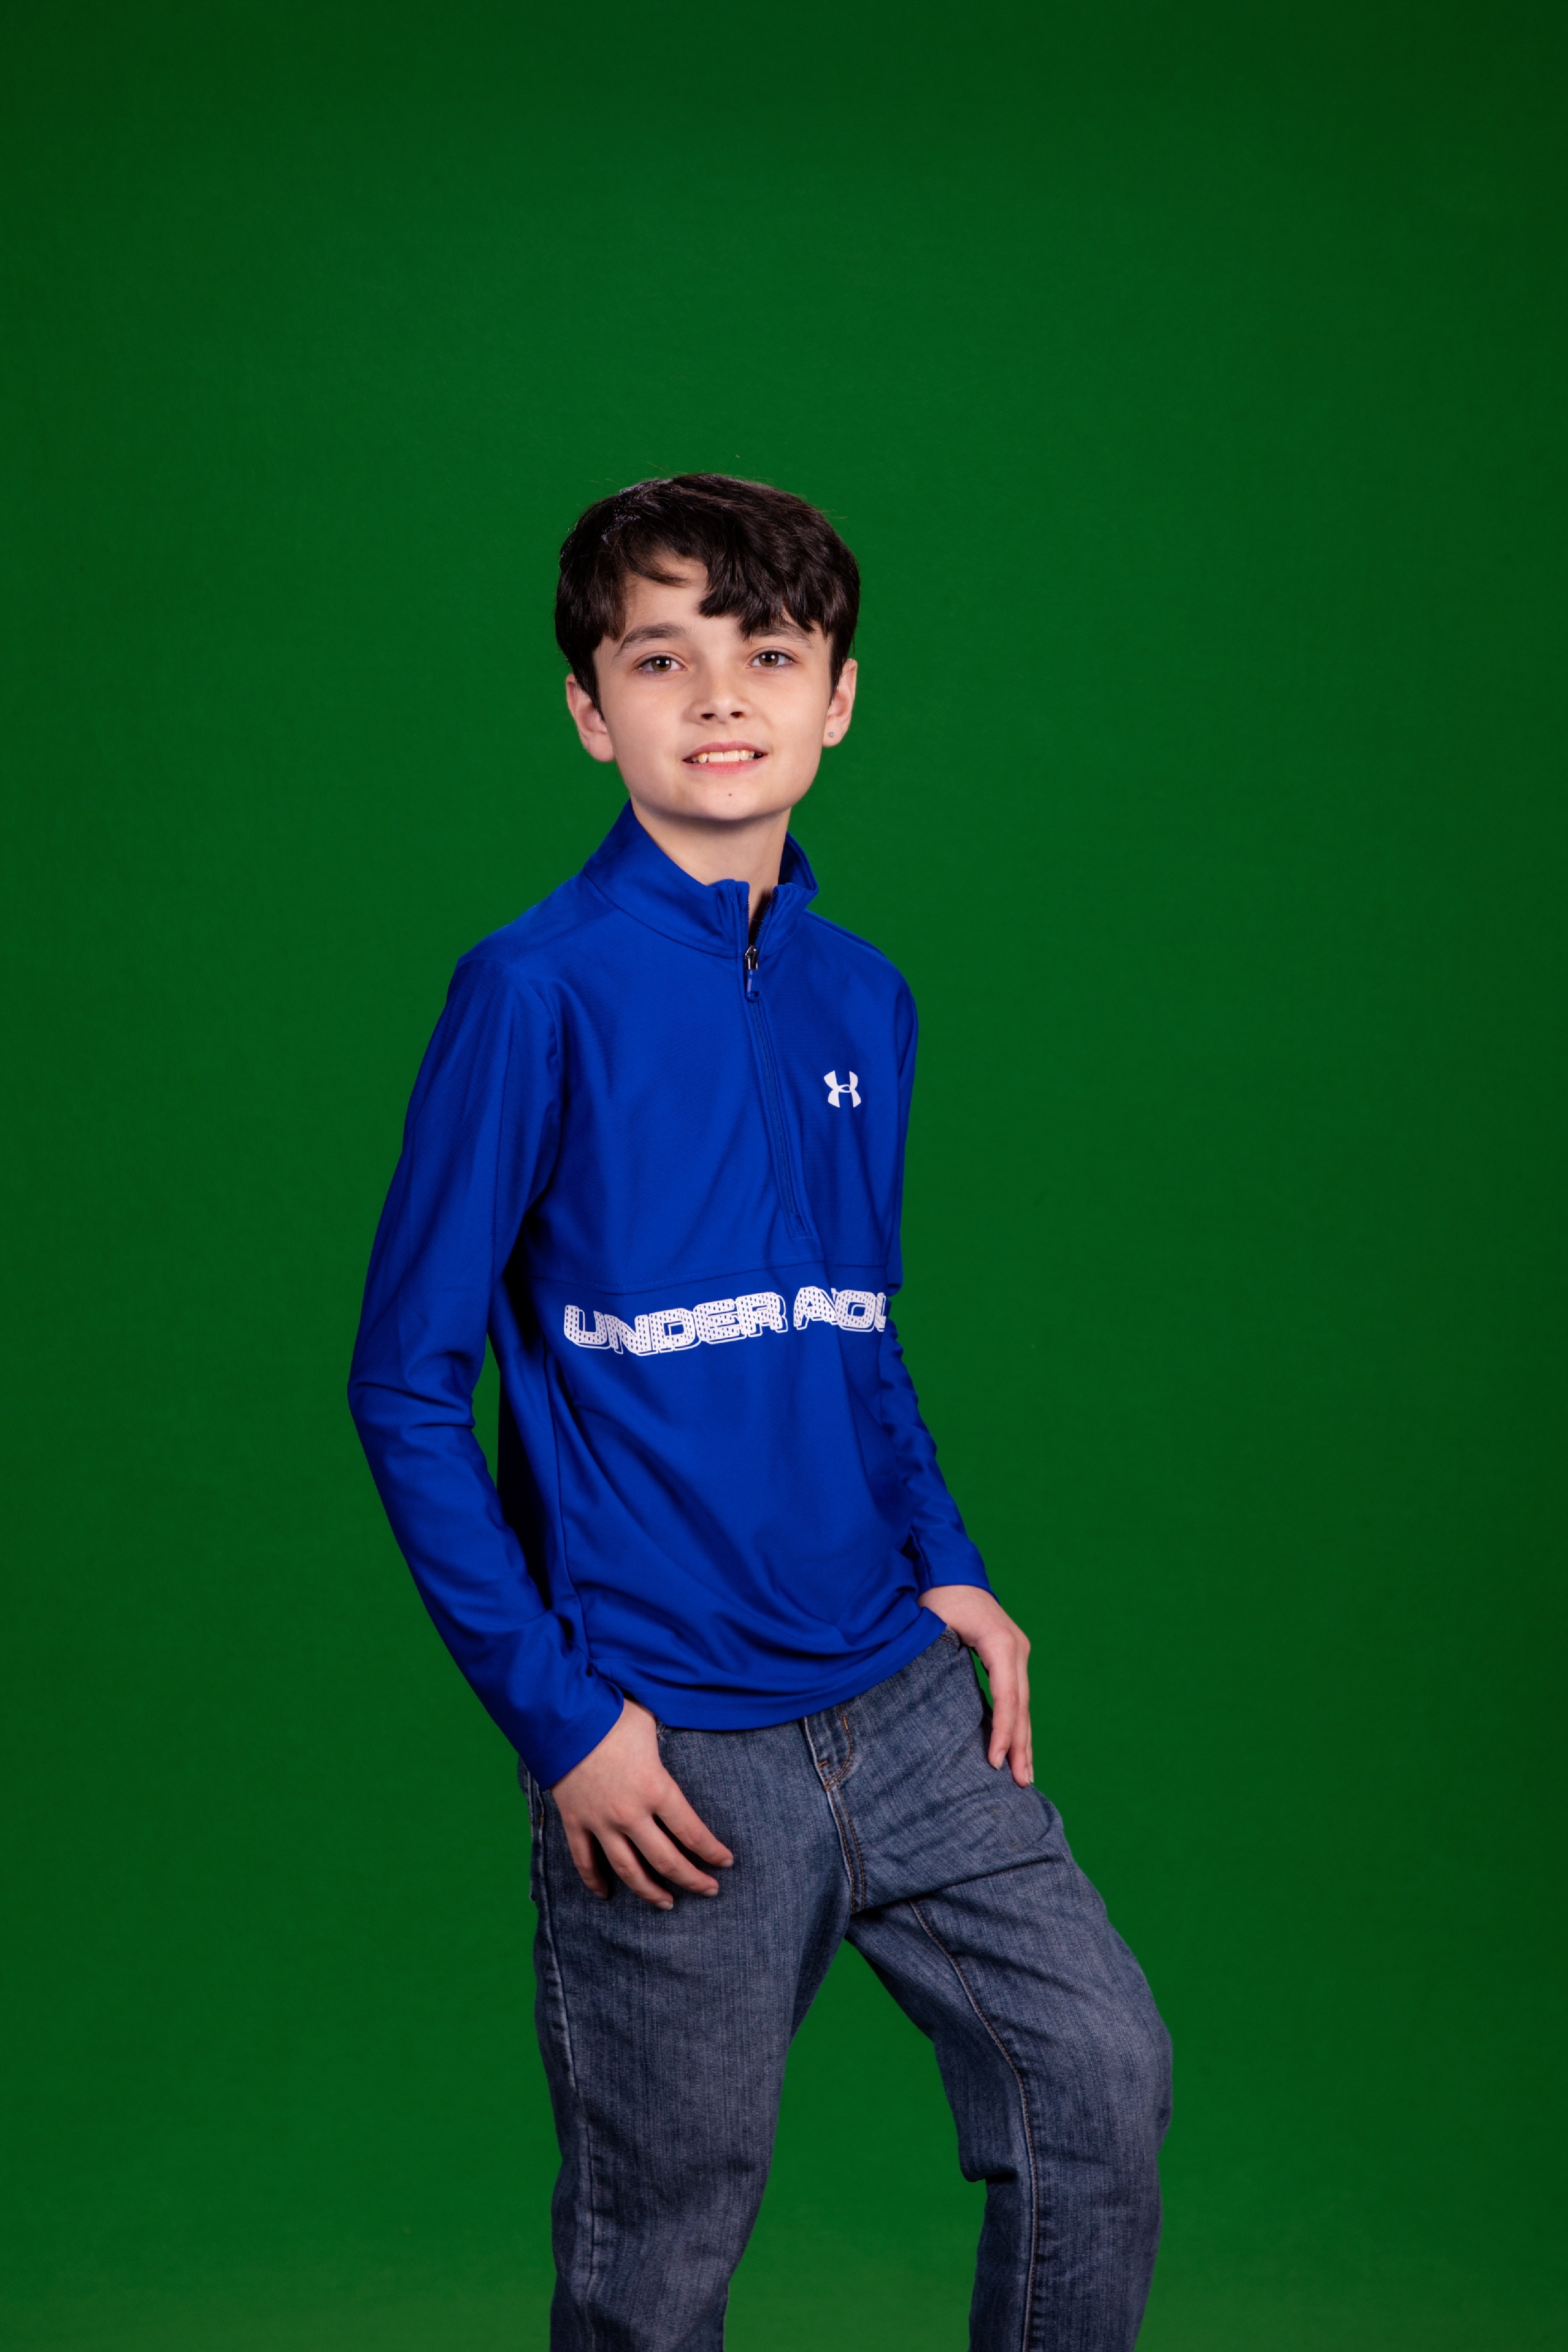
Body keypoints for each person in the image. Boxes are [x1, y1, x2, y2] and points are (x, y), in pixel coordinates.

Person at [348, 473, 1170, 2350]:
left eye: (769, 653)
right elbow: (401, 1381)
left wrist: (946, 1560)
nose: (720, 694)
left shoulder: (861, 997)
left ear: (837, 696)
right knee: (660, 2258)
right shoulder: (532, 994)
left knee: (1099, 2074)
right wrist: (560, 1720)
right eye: (662, 657)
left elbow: (852, 1328)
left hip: (902, 1706)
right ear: (591, 710)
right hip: (672, 1751)